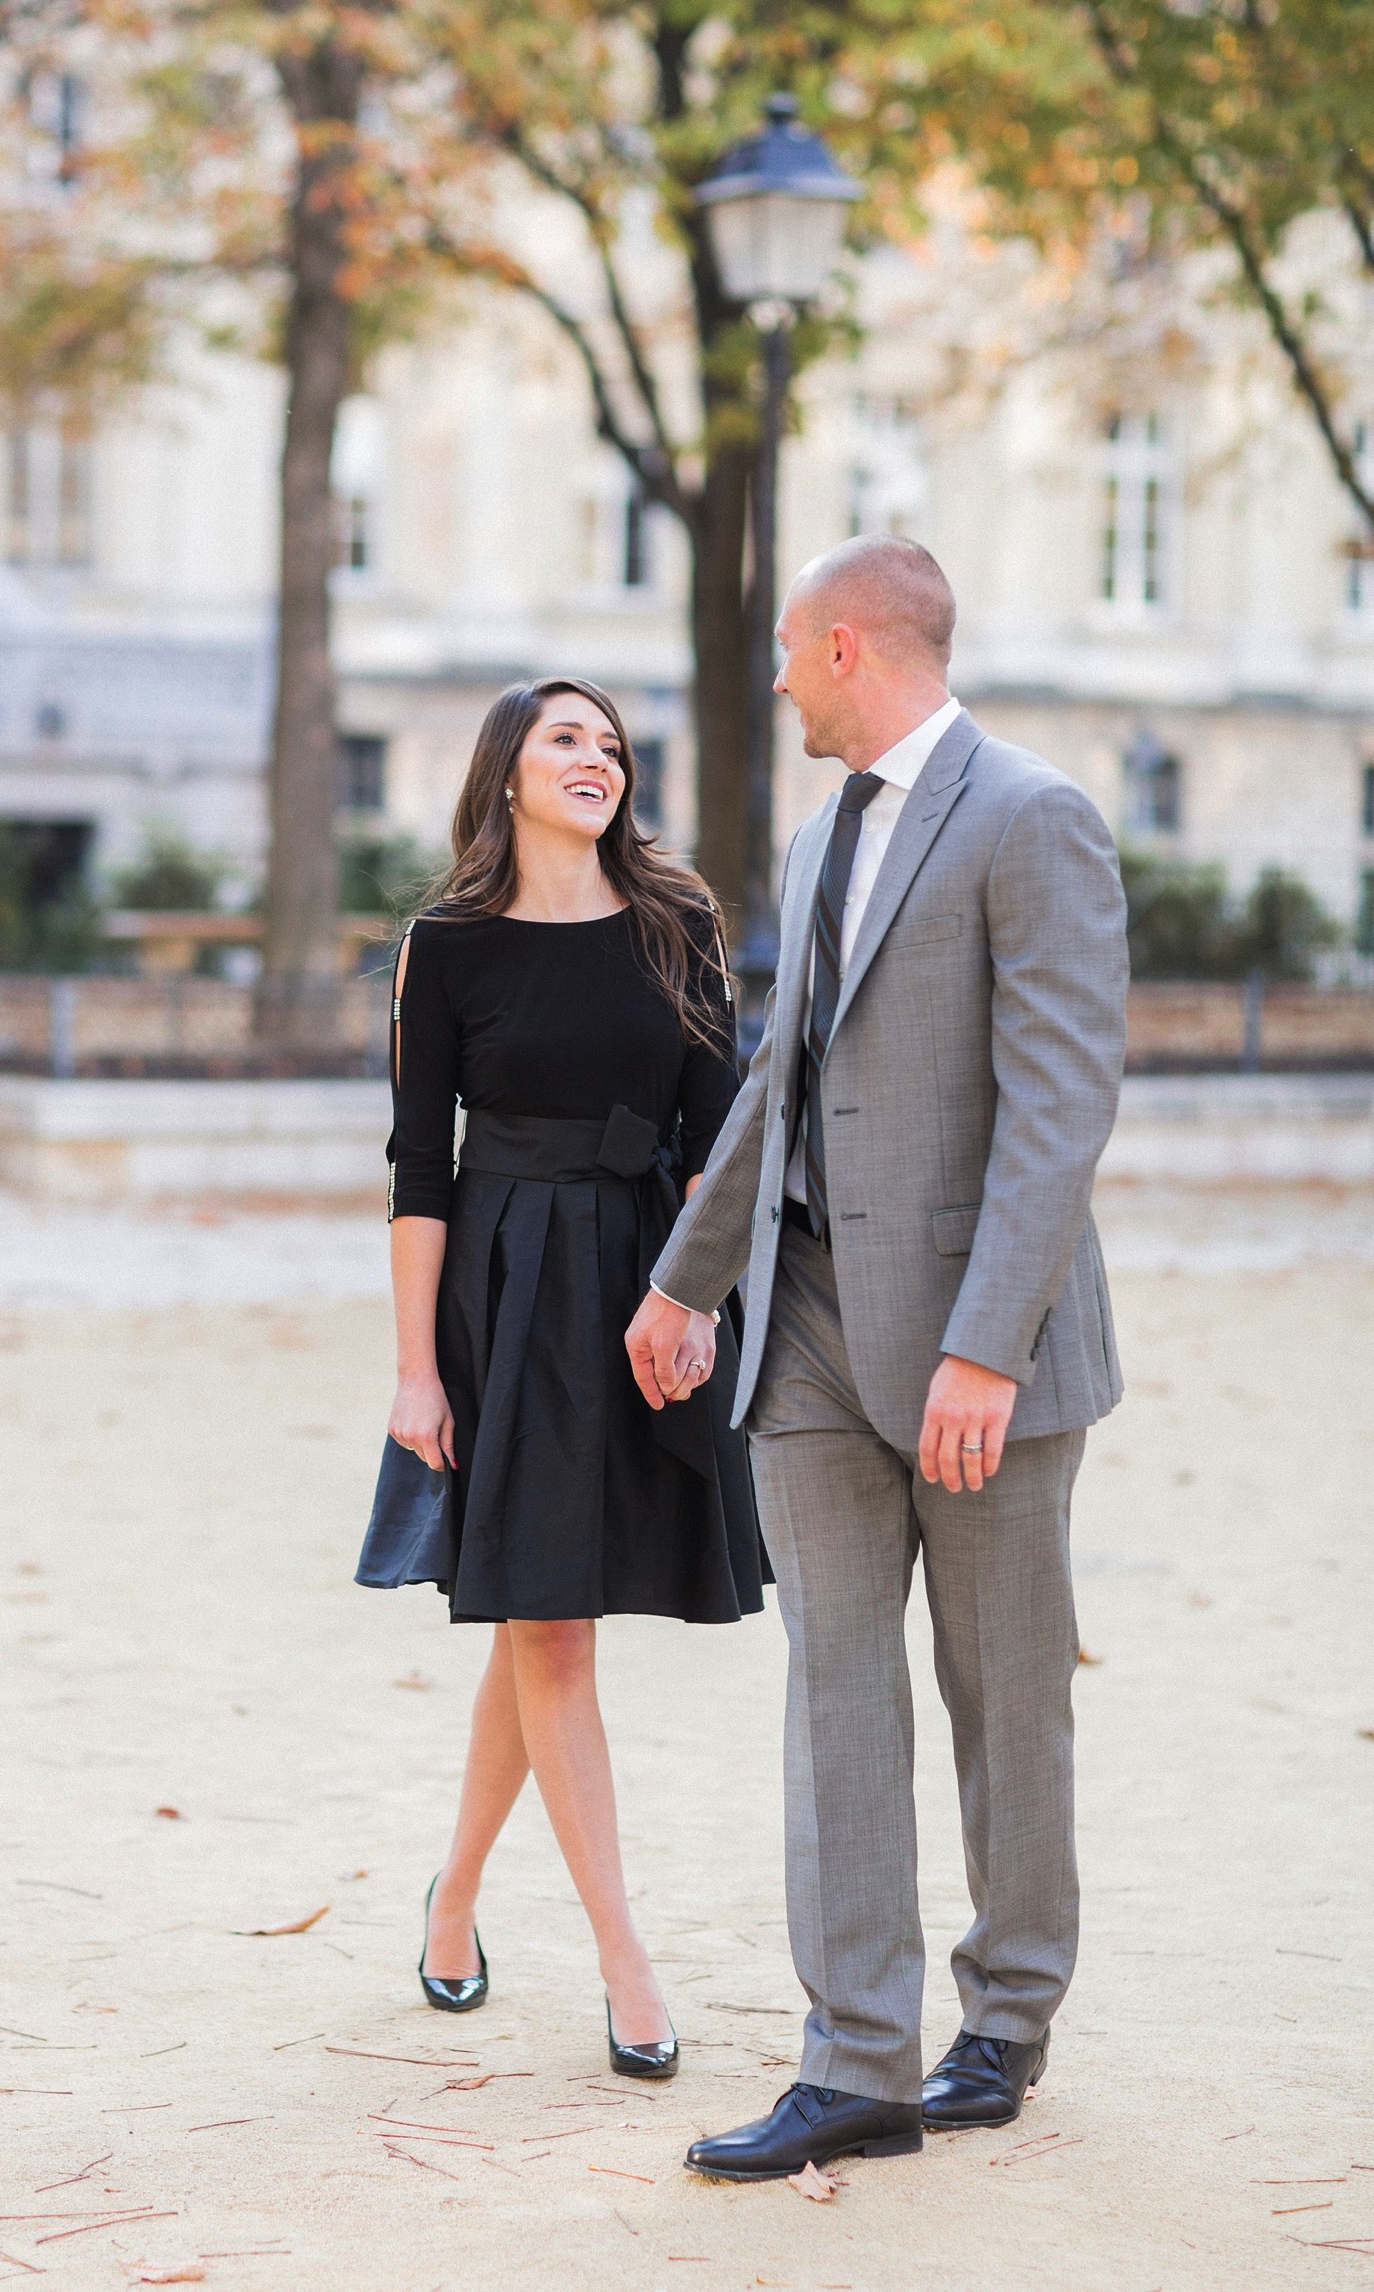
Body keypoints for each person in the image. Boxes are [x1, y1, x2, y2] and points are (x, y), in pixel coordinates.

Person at [626, 535, 1129, 2177]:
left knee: (1003, 1702)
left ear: (851, 647)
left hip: (981, 1350)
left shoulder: (1032, 814)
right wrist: (686, 1281)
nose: (773, 677)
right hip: (812, 1343)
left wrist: (987, 1348)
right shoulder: (822, 829)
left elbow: (1060, 1107)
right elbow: (784, 1072)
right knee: (835, 1695)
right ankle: (857, 2061)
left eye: (787, 650)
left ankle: (1007, 2017)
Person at [365, 674, 765, 2082]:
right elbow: (420, 1171)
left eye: (611, 743)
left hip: (647, 1286)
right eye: (566, 738)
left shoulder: (680, 923)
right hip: (506, 1289)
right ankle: (625, 1960)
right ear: (509, 771)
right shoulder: (446, 946)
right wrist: (416, 1373)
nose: (597, 758)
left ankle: (457, 1898)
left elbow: (724, 1132)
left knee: (539, 1623)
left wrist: (695, 1293)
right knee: (551, 1628)